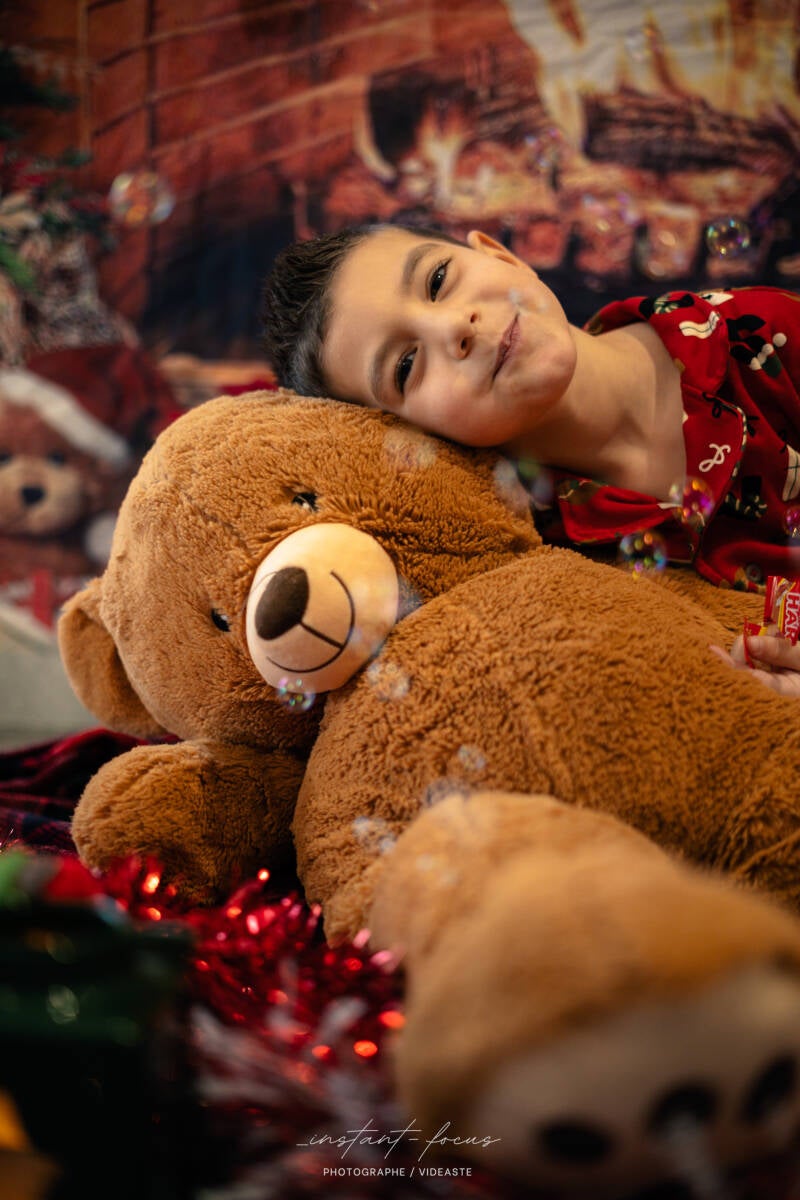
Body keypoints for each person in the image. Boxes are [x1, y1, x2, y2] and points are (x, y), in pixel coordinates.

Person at [261, 222, 800, 686]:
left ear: (502, 255)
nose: (454, 327)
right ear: (413, 435)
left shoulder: (761, 336)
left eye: (438, 280)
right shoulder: (540, 551)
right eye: (405, 366)